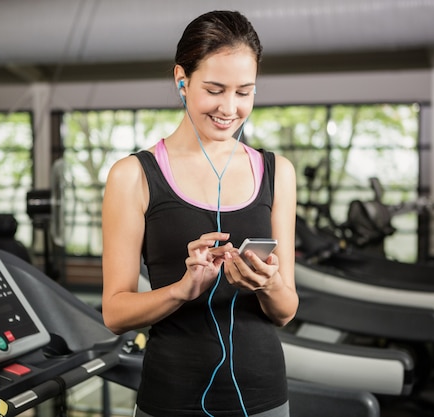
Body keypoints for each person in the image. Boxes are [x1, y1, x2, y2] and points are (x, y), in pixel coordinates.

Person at [102, 10, 298, 417]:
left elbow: (285, 311)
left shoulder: (278, 172)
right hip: (172, 395)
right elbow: (115, 314)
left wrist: (267, 283)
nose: (230, 107)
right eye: (215, 89)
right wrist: (180, 290)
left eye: (245, 92)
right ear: (181, 80)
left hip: (264, 395)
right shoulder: (133, 176)